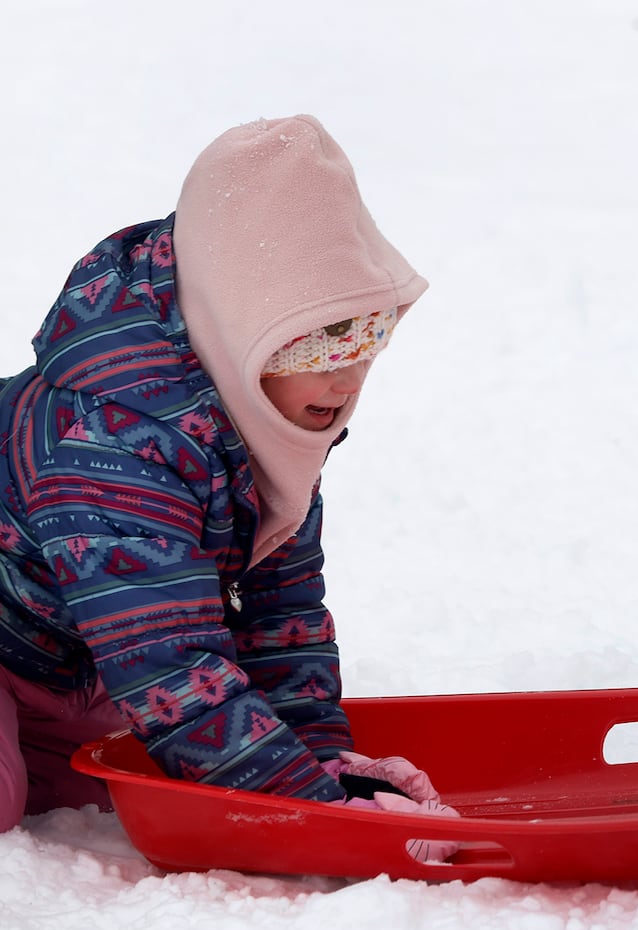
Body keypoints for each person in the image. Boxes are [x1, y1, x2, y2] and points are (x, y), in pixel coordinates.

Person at [0, 115, 455, 851]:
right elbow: (169, 666)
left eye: (369, 336)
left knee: (136, 779)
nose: (346, 376)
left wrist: (324, 765)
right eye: (314, 343)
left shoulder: (257, 412)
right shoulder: (111, 443)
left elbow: (278, 610)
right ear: (239, 323)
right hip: (33, 645)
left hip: (63, 657)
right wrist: (324, 820)